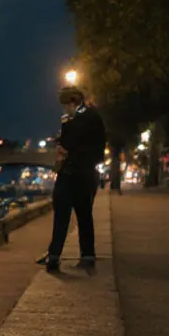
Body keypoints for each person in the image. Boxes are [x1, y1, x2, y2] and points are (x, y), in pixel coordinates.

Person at [40, 86, 107, 273]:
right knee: (85, 215)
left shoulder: (72, 120)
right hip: (87, 175)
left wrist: (64, 136)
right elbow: (99, 146)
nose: (64, 109)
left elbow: (66, 146)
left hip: (70, 174)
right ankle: (87, 255)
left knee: (61, 214)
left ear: (71, 102)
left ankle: (54, 255)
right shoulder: (95, 117)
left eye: (64, 105)